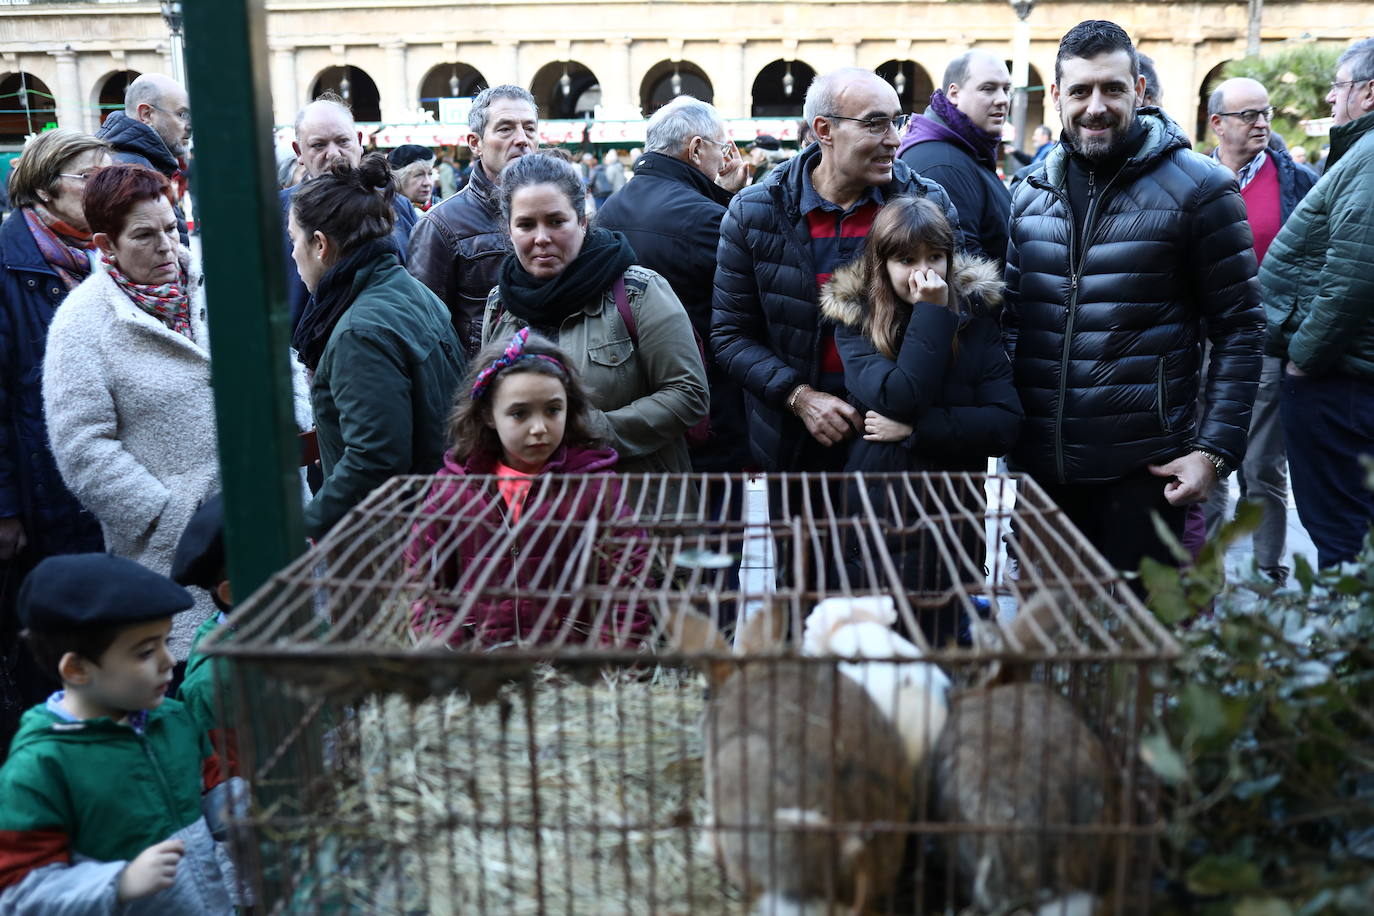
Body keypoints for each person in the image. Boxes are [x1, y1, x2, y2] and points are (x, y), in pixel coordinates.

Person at [1002, 20, 1262, 576]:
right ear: (1057, 96)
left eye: (1112, 88)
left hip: (1145, 473)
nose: (1096, 107)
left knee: (1137, 629)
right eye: (1080, 90)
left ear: (1139, 90)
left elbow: (1241, 328)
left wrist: (1214, 451)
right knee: (1044, 626)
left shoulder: (1202, 189)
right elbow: (1013, 321)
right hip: (1041, 472)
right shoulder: (1029, 192)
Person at [712, 66, 964, 479]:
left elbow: (964, 317)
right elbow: (730, 336)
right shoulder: (755, 211)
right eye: (875, 124)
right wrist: (798, 397)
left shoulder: (926, 201)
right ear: (824, 130)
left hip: (900, 451)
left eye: (896, 121)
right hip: (793, 447)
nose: (895, 139)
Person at [822, 196, 1022, 642]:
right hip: (880, 517)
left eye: (935, 257)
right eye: (907, 260)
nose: (924, 272)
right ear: (883, 265)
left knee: (941, 644)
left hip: (952, 517)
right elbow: (900, 397)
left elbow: (1005, 422)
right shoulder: (856, 323)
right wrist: (933, 312)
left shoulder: (976, 322)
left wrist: (917, 432)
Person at [43, 165, 220, 660]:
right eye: (144, 235)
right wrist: (166, 515)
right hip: (175, 554)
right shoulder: (81, 324)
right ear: (106, 244)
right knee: (198, 685)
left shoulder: (215, 283)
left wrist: (293, 426)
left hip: (264, 523)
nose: (166, 246)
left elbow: (280, 361)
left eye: (171, 227)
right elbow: (82, 447)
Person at [0, 553, 233, 912]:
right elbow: (20, 894)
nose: (169, 661)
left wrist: (247, 809)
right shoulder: (40, 767)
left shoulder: (175, 720)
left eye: (167, 642)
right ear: (77, 669)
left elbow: (212, 790)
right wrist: (119, 883)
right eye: (145, 652)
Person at [407, 329, 651, 647]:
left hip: (573, 663)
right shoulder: (455, 489)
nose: (539, 428)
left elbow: (629, 583)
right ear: (488, 415)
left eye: (552, 410)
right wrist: (452, 654)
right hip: (480, 663)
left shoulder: (593, 486)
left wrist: (606, 657)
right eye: (519, 413)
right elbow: (423, 582)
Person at [483, 153, 707, 479]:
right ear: (509, 229)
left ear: (582, 221)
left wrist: (583, 432)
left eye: (556, 221)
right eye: (526, 225)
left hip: (633, 499)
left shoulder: (638, 292)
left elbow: (689, 394)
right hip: (534, 501)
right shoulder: (500, 304)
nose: (541, 238)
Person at [288, 154, 466, 540]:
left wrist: (301, 528)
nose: (292, 254)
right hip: (437, 516)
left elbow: (373, 462)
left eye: (294, 240)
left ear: (319, 245)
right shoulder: (405, 287)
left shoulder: (360, 332)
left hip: (394, 541)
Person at [0, 129, 111, 748]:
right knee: (53, 638)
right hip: (39, 488)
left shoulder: (100, 254)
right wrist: (6, 507)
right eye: (89, 178)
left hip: (93, 481)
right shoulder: (9, 262)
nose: (103, 188)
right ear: (44, 189)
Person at [1260, 38, 1374, 568]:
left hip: (1339, 383)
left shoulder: (1369, 158)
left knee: (1342, 535)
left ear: (1368, 93)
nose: (1330, 98)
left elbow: (1353, 276)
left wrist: (1303, 359)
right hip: (1345, 378)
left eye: (1339, 86)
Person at [594, 96, 749, 480]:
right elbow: (741, 308)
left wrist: (721, 196)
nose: (724, 159)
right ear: (696, 149)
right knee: (712, 512)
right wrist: (727, 202)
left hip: (626, 396)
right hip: (703, 406)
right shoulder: (709, 218)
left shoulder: (609, 208)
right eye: (722, 148)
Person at [1200, 77, 1317, 583]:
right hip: (1199, 343)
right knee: (1204, 461)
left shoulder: (1298, 182)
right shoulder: (1190, 177)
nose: (1261, 123)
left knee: (1263, 467)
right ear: (1218, 123)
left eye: (1265, 113)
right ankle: (1204, 578)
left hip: (1265, 343)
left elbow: (1318, 261)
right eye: (1248, 115)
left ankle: (1270, 572)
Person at [408, 85, 539, 355]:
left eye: (529, 128)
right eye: (506, 129)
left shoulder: (559, 213)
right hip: (483, 377)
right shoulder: (440, 225)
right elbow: (422, 334)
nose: (522, 139)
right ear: (475, 143)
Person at [282, 93, 416, 333]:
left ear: (359, 141)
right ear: (298, 151)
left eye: (342, 141)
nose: (333, 154)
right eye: (318, 145)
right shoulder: (274, 212)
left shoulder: (398, 206)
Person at [898, 50, 1012, 269]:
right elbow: (963, 271)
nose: (1002, 100)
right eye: (988, 89)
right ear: (954, 94)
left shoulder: (967, 150)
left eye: (1006, 89)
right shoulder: (943, 163)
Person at [95, 73, 191, 246]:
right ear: (146, 115)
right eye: (182, 114)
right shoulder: (131, 173)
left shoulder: (139, 164)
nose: (189, 126)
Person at [388, 143, 436, 214]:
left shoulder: (441, 209)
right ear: (398, 180)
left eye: (430, 174)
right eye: (419, 174)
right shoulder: (384, 213)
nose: (428, 182)